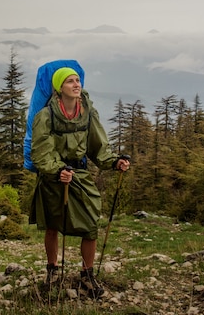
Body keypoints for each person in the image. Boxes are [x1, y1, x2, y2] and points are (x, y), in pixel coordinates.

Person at [28, 66, 130, 298]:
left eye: (77, 80)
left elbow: (97, 146)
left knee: (91, 225)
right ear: (58, 88)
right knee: (53, 225)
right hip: (54, 177)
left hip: (79, 175)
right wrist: (57, 170)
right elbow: (41, 152)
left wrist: (114, 162)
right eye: (69, 81)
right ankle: (52, 270)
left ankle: (87, 275)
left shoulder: (88, 113)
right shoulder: (45, 116)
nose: (76, 85)